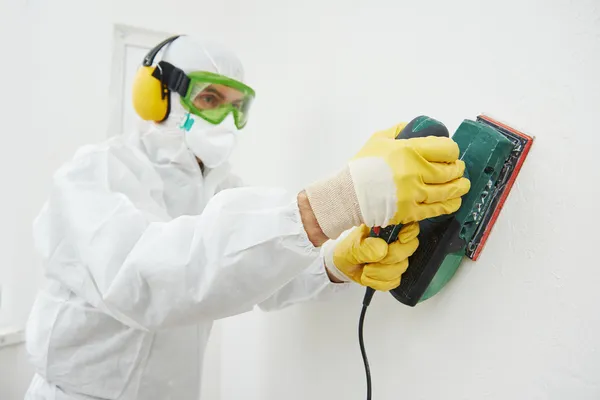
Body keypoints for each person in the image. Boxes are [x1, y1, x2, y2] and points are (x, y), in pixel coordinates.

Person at [24, 35, 470, 399]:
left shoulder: (223, 187)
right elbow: (143, 280)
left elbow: (254, 275)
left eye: (237, 104)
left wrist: (333, 263)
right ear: (156, 96)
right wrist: (328, 206)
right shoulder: (93, 174)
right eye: (210, 97)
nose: (226, 115)